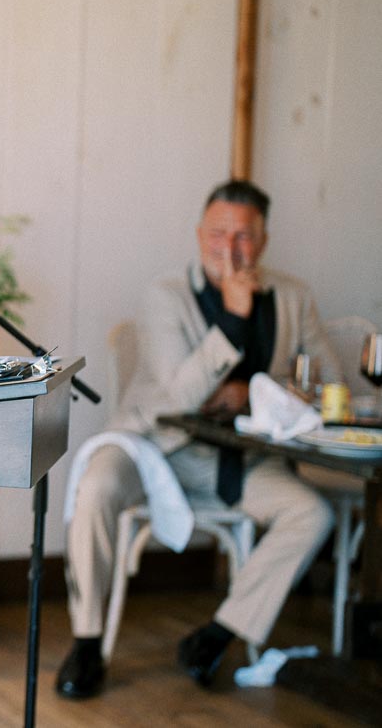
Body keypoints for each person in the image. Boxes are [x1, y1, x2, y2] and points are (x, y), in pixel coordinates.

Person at [56, 179, 339, 699]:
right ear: (198, 234)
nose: (229, 249)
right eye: (217, 234)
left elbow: (328, 383)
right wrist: (234, 318)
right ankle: (88, 641)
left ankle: (218, 633)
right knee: (95, 487)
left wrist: (251, 394)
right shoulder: (166, 294)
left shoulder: (294, 298)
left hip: (242, 461)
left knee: (314, 514)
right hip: (152, 444)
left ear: (265, 240)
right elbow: (183, 394)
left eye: (244, 237)